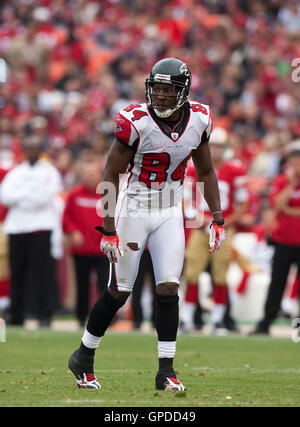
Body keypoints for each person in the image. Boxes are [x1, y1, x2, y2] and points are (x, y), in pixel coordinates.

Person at [68, 57, 225, 391]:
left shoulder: (200, 119)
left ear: (183, 92)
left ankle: (166, 370)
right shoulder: (136, 121)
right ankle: (83, 355)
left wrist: (217, 217)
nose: (160, 97)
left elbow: (207, 171)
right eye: (156, 89)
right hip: (134, 207)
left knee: (169, 288)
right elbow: (110, 174)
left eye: (168, 91)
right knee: (120, 291)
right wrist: (108, 228)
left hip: (170, 209)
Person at [181, 127, 249, 335]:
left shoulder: (235, 170)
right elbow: (186, 202)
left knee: (220, 276)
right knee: (191, 274)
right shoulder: (193, 169)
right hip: (201, 229)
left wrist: (223, 222)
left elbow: (243, 204)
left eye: (219, 146)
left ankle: (218, 320)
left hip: (223, 230)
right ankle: (186, 318)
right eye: (213, 146)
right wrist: (203, 220)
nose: (216, 151)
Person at [0, 135, 62, 327]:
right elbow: (4, 196)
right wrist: (29, 196)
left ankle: (45, 314)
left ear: (40, 149)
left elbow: (45, 197)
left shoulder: (49, 171)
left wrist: (21, 198)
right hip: (17, 228)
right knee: (17, 273)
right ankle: (17, 314)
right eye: (28, 147)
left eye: (35, 147)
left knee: (42, 273)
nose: (31, 151)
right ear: (24, 150)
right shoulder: (16, 172)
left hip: (40, 227)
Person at [250, 141, 300, 335]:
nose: (295, 168)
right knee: (277, 283)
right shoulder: (281, 181)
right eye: (292, 163)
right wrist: (292, 184)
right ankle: (265, 323)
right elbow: (277, 205)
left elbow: (284, 208)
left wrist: (289, 209)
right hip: (283, 241)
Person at [62, 150, 110, 326]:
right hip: (81, 249)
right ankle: (81, 318)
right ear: (82, 175)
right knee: (81, 285)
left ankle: (104, 319)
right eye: (87, 174)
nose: (90, 177)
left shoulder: (107, 193)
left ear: (100, 174)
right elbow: (66, 218)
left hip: (103, 248)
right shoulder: (75, 194)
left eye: (93, 173)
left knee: (104, 286)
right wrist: (73, 231)